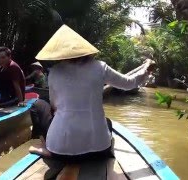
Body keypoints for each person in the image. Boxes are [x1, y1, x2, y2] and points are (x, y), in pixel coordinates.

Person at [29, 25, 156, 162]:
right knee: (107, 122)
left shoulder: (54, 72)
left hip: (60, 150)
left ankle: (46, 145)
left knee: (38, 104)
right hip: (100, 150)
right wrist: (146, 69)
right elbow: (129, 83)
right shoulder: (100, 67)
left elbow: (54, 106)